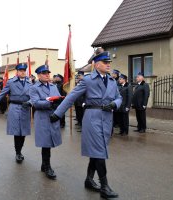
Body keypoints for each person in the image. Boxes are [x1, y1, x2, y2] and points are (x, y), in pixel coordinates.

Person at [50, 51, 122, 198]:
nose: (108, 64)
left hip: (107, 119)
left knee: (96, 152)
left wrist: (115, 104)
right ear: (96, 64)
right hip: (93, 118)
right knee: (100, 152)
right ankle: (104, 186)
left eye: (109, 62)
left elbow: (119, 97)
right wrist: (58, 113)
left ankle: (89, 180)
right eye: (105, 62)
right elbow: (71, 97)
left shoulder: (113, 81)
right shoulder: (88, 80)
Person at [0, 63, 32, 163]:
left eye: (24, 70)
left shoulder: (30, 83)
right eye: (21, 70)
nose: (23, 72)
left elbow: (34, 96)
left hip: (25, 108)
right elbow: (1, 94)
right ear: (17, 72)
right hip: (14, 108)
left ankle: (20, 150)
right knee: (17, 132)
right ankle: (18, 153)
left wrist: (30, 103)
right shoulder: (11, 82)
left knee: (23, 132)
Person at [29, 64, 62, 180]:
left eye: (48, 73)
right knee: (46, 142)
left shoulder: (53, 86)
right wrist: (50, 102)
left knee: (50, 142)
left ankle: (44, 164)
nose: (47, 75)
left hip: (53, 115)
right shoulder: (34, 87)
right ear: (38, 75)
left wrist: (59, 104)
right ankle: (47, 166)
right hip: (42, 116)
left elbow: (58, 98)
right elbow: (36, 103)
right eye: (44, 73)